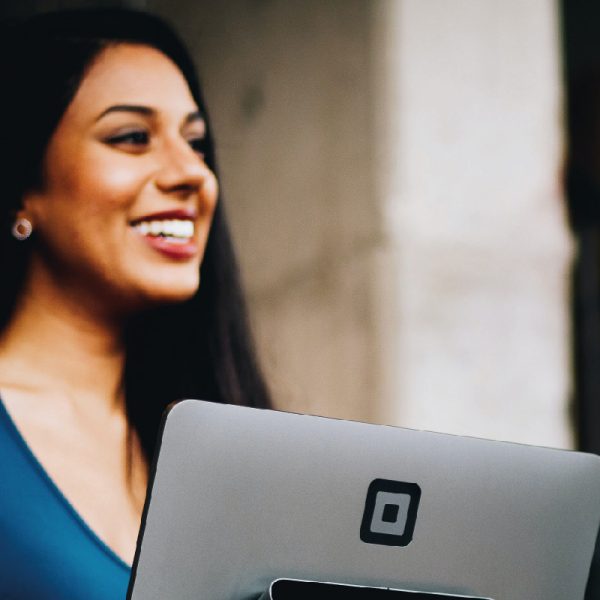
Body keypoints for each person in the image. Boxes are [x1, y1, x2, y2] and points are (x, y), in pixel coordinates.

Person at [0, 8, 271, 599]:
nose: (192, 174)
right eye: (131, 137)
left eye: (196, 143)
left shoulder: (225, 440)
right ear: (23, 184)